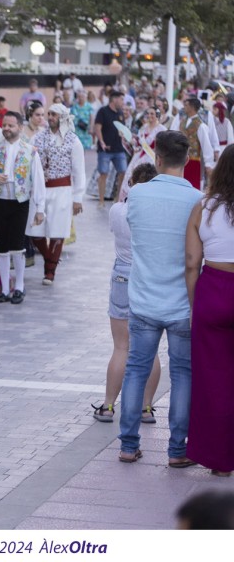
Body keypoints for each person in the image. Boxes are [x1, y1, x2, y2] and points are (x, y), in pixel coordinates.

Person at [118, 130, 201, 467]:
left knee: (136, 370)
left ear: (158, 157)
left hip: (143, 298)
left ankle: (128, 444)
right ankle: (177, 450)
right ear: (186, 159)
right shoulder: (197, 198)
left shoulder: (137, 196)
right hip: (182, 301)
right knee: (183, 374)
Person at [92, 163, 162, 424]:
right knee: (151, 348)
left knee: (121, 346)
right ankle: (146, 408)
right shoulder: (157, 214)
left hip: (122, 274)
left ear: (131, 183)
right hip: (149, 276)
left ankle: (109, 405)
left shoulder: (118, 211)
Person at [185, 145, 234, 476]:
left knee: (212, 380)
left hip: (213, 291)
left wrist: (194, 303)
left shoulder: (203, 206)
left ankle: (218, 461)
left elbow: (191, 263)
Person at [0, 112, 46, 305]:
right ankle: (5, 288)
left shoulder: (30, 150)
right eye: (4, 125)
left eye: (11, 125)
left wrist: (40, 208)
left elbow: (37, 180)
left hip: (20, 201)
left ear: (20, 127)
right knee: (1, 246)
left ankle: (19, 286)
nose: (6, 129)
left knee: (18, 244)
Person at [27, 104, 86, 285]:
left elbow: (79, 171)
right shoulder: (38, 137)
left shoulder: (73, 140)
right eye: (49, 114)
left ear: (63, 117)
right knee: (34, 231)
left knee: (57, 231)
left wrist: (77, 198)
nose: (50, 117)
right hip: (40, 190)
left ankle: (50, 271)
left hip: (62, 190)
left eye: (54, 114)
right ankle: (49, 258)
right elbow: (28, 160)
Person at [118, 106, 164, 202]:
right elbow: (138, 144)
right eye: (148, 113)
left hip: (152, 157)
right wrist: (128, 138)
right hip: (139, 156)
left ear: (157, 115)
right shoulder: (143, 128)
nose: (150, 116)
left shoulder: (162, 129)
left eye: (152, 114)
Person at [172, 96, 215, 190]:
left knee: (192, 187)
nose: (184, 107)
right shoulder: (182, 122)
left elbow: (206, 145)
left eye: (186, 105)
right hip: (180, 160)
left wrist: (209, 163)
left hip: (194, 161)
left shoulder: (201, 125)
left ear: (192, 107)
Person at [94, 92, 127, 206]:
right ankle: (101, 200)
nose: (123, 102)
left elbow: (122, 128)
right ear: (114, 99)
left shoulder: (120, 113)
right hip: (105, 149)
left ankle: (117, 198)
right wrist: (102, 142)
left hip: (119, 148)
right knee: (103, 173)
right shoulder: (103, 111)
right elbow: (98, 128)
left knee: (123, 172)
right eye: (121, 99)